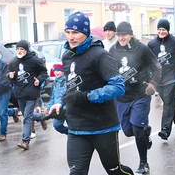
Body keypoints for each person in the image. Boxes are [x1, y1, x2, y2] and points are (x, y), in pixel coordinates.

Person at [49, 12, 133, 175]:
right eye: (68, 32)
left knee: (115, 171)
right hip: (76, 127)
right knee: (76, 172)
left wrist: (87, 96)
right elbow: (71, 86)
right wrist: (60, 102)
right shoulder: (67, 56)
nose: (70, 37)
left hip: (103, 127)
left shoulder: (100, 55)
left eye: (75, 33)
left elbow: (118, 87)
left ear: (86, 33)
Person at [110, 21, 162, 174]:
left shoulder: (142, 49)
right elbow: (109, 71)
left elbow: (157, 67)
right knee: (127, 131)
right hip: (122, 97)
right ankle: (146, 132)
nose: (121, 38)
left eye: (124, 35)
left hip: (141, 94)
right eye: (118, 35)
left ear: (131, 34)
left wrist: (153, 84)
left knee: (137, 129)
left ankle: (143, 163)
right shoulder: (113, 50)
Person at [147, 19, 175, 140]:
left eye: (163, 29)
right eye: (159, 29)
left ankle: (165, 130)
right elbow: (148, 59)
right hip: (159, 78)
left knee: (168, 101)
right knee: (169, 103)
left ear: (168, 30)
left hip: (172, 76)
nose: (161, 31)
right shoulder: (152, 44)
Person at [8, 40, 48, 150]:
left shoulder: (34, 60)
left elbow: (44, 72)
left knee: (27, 117)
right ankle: (41, 117)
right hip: (20, 93)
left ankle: (25, 140)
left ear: (26, 50)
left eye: (22, 49)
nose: (19, 51)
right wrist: (10, 76)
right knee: (28, 115)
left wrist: (39, 80)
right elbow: (10, 78)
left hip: (32, 92)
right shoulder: (13, 62)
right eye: (17, 49)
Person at [42, 64, 68, 135]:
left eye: (58, 70)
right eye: (55, 71)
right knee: (57, 125)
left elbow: (67, 95)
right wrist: (48, 107)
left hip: (67, 108)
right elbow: (53, 98)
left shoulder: (67, 81)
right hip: (58, 110)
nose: (56, 72)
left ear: (63, 72)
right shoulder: (54, 82)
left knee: (72, 126)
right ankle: (71, 134)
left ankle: (75, 137)